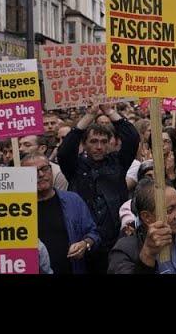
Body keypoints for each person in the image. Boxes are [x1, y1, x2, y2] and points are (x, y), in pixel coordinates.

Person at [57, 103, 139, 274]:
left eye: (103, 142)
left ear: (110, 143)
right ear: (84, 144)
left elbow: (132, 138)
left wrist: (110, 111)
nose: (99, 147)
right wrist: (88, 115)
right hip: (84, 242)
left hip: (115, 240)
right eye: (93, 141)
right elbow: (64, 151)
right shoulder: (75, 167)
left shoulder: (118, 163)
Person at [24, 153, 100, 274]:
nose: (40, 174)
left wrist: (85, 244)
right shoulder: (18, 209)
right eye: (33, 171)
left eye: (44, 168)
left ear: (51, 170)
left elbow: (93, 233)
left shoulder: (73, 200)